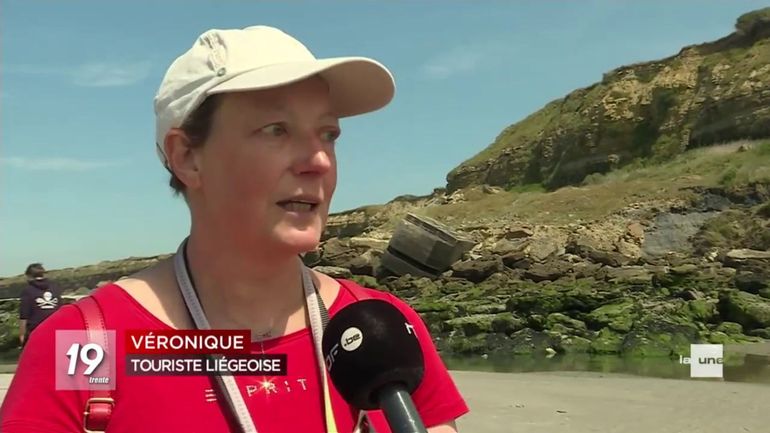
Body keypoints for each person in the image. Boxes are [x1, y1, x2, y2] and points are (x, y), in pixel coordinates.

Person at [0, 25, 469, 432]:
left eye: (328, 134)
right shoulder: (87, 344)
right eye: (276, 129)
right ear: (187, 157)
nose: (319, 160)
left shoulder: (383, 328)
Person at [17, 263, 63, 348]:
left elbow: (24, 316)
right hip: (56, 330)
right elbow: (61, 310)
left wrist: (22, 335)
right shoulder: (55, 288)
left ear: (29, 276)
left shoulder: (28, 291)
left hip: (36, 332)